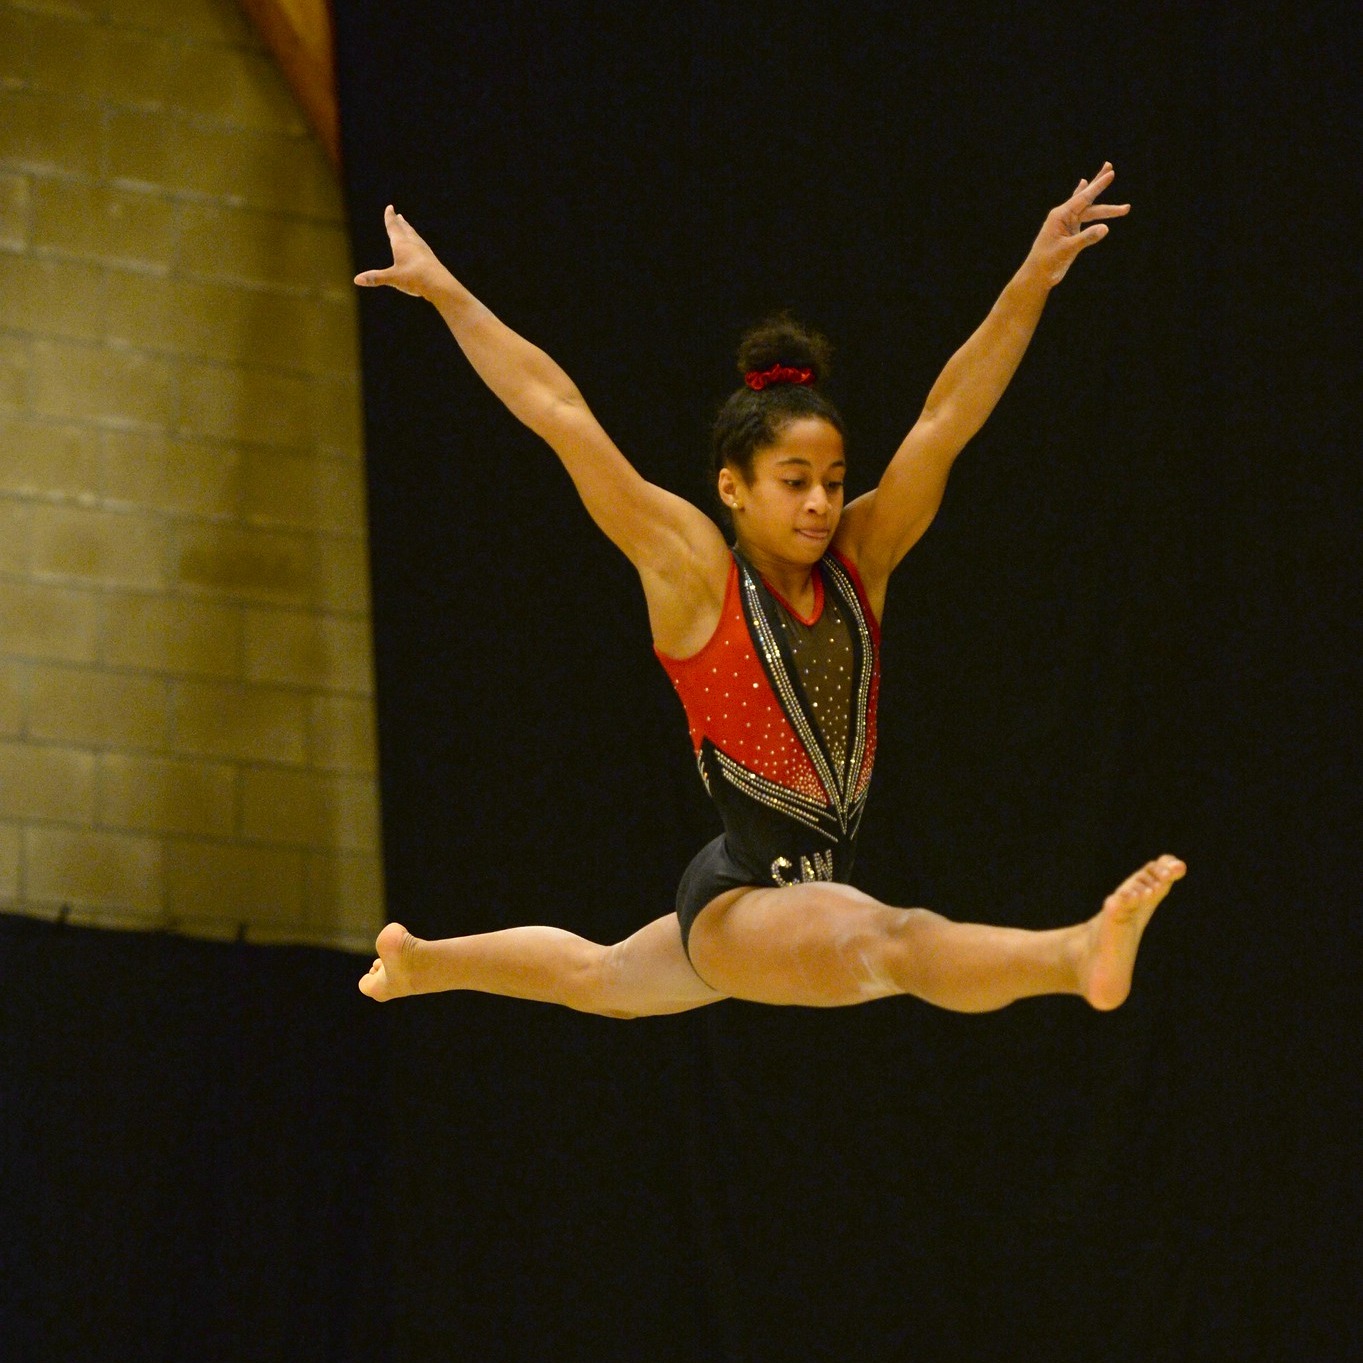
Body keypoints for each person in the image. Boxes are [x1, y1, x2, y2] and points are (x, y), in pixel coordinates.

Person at [354, 162, 1185, 1018]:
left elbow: (947, 416)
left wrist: (1033, 274)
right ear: (732, 487)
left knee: (601, 978)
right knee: (892, 942)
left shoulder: (862, 558)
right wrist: (444, 291)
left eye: (831, 477)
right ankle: (1074, 949)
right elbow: (556, 408)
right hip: (744, 904)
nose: (822, 500)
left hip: (774, 889)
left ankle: (419, 962)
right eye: (794, 480)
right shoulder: (692, 571)